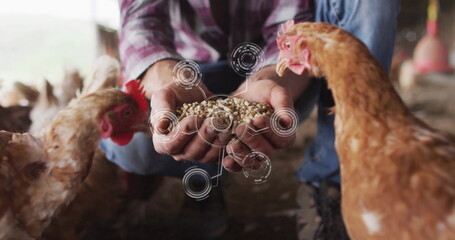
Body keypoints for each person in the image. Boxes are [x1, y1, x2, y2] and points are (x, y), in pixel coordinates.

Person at [100, 0, 401, 239]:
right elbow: (141, 20)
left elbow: (290, 21)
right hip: (190, 71)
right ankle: (204, 177)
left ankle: (332, 179)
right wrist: (166, 78)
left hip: (275, 70)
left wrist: (269, 79)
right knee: (136, 144)